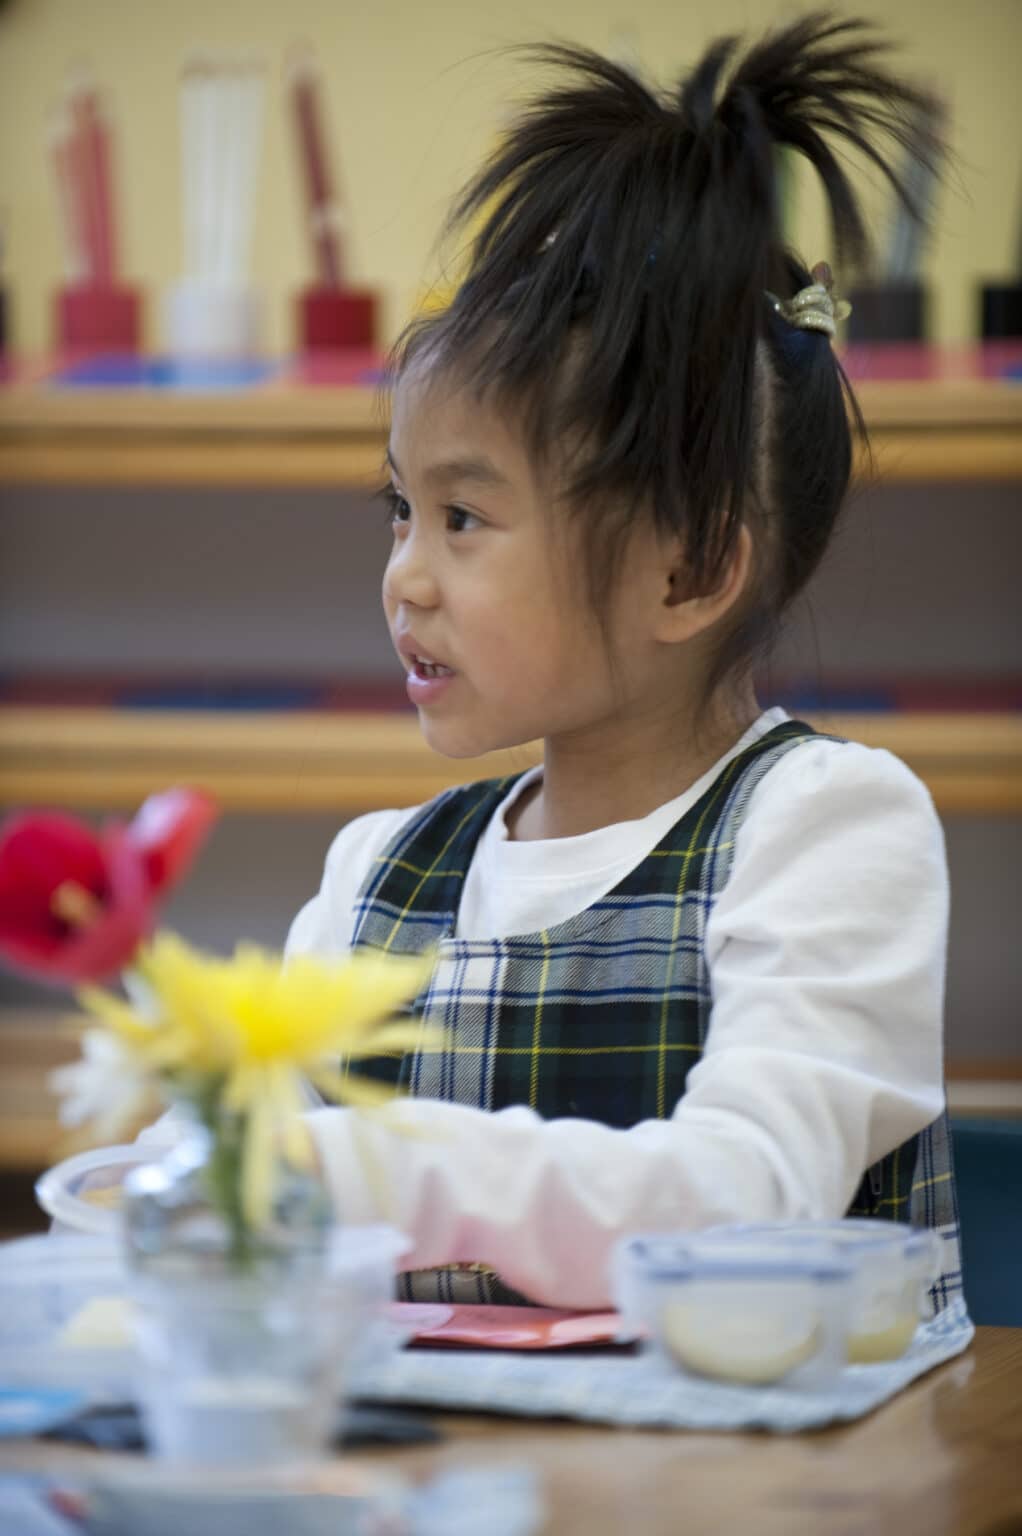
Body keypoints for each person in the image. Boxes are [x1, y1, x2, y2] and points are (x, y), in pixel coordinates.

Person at [286, 13, 961, 1312]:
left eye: (465, 517)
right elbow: (276, 1186)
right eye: (398, 509)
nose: (405, 575)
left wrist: (384, 1163)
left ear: (686, 572)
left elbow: (744, 1196)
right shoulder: (376, 875)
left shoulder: (828, 830)